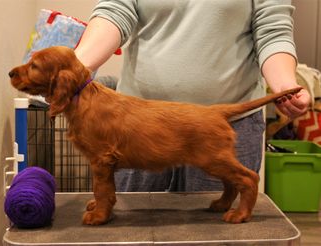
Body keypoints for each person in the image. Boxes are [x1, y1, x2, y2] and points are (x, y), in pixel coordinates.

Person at [74, 0, 310, 192]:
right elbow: (115, 11)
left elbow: (272, 31)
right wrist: (76, 66)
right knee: (135, 230)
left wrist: (284, 85)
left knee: (218, 234)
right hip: (139, 127)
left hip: (225, 124)